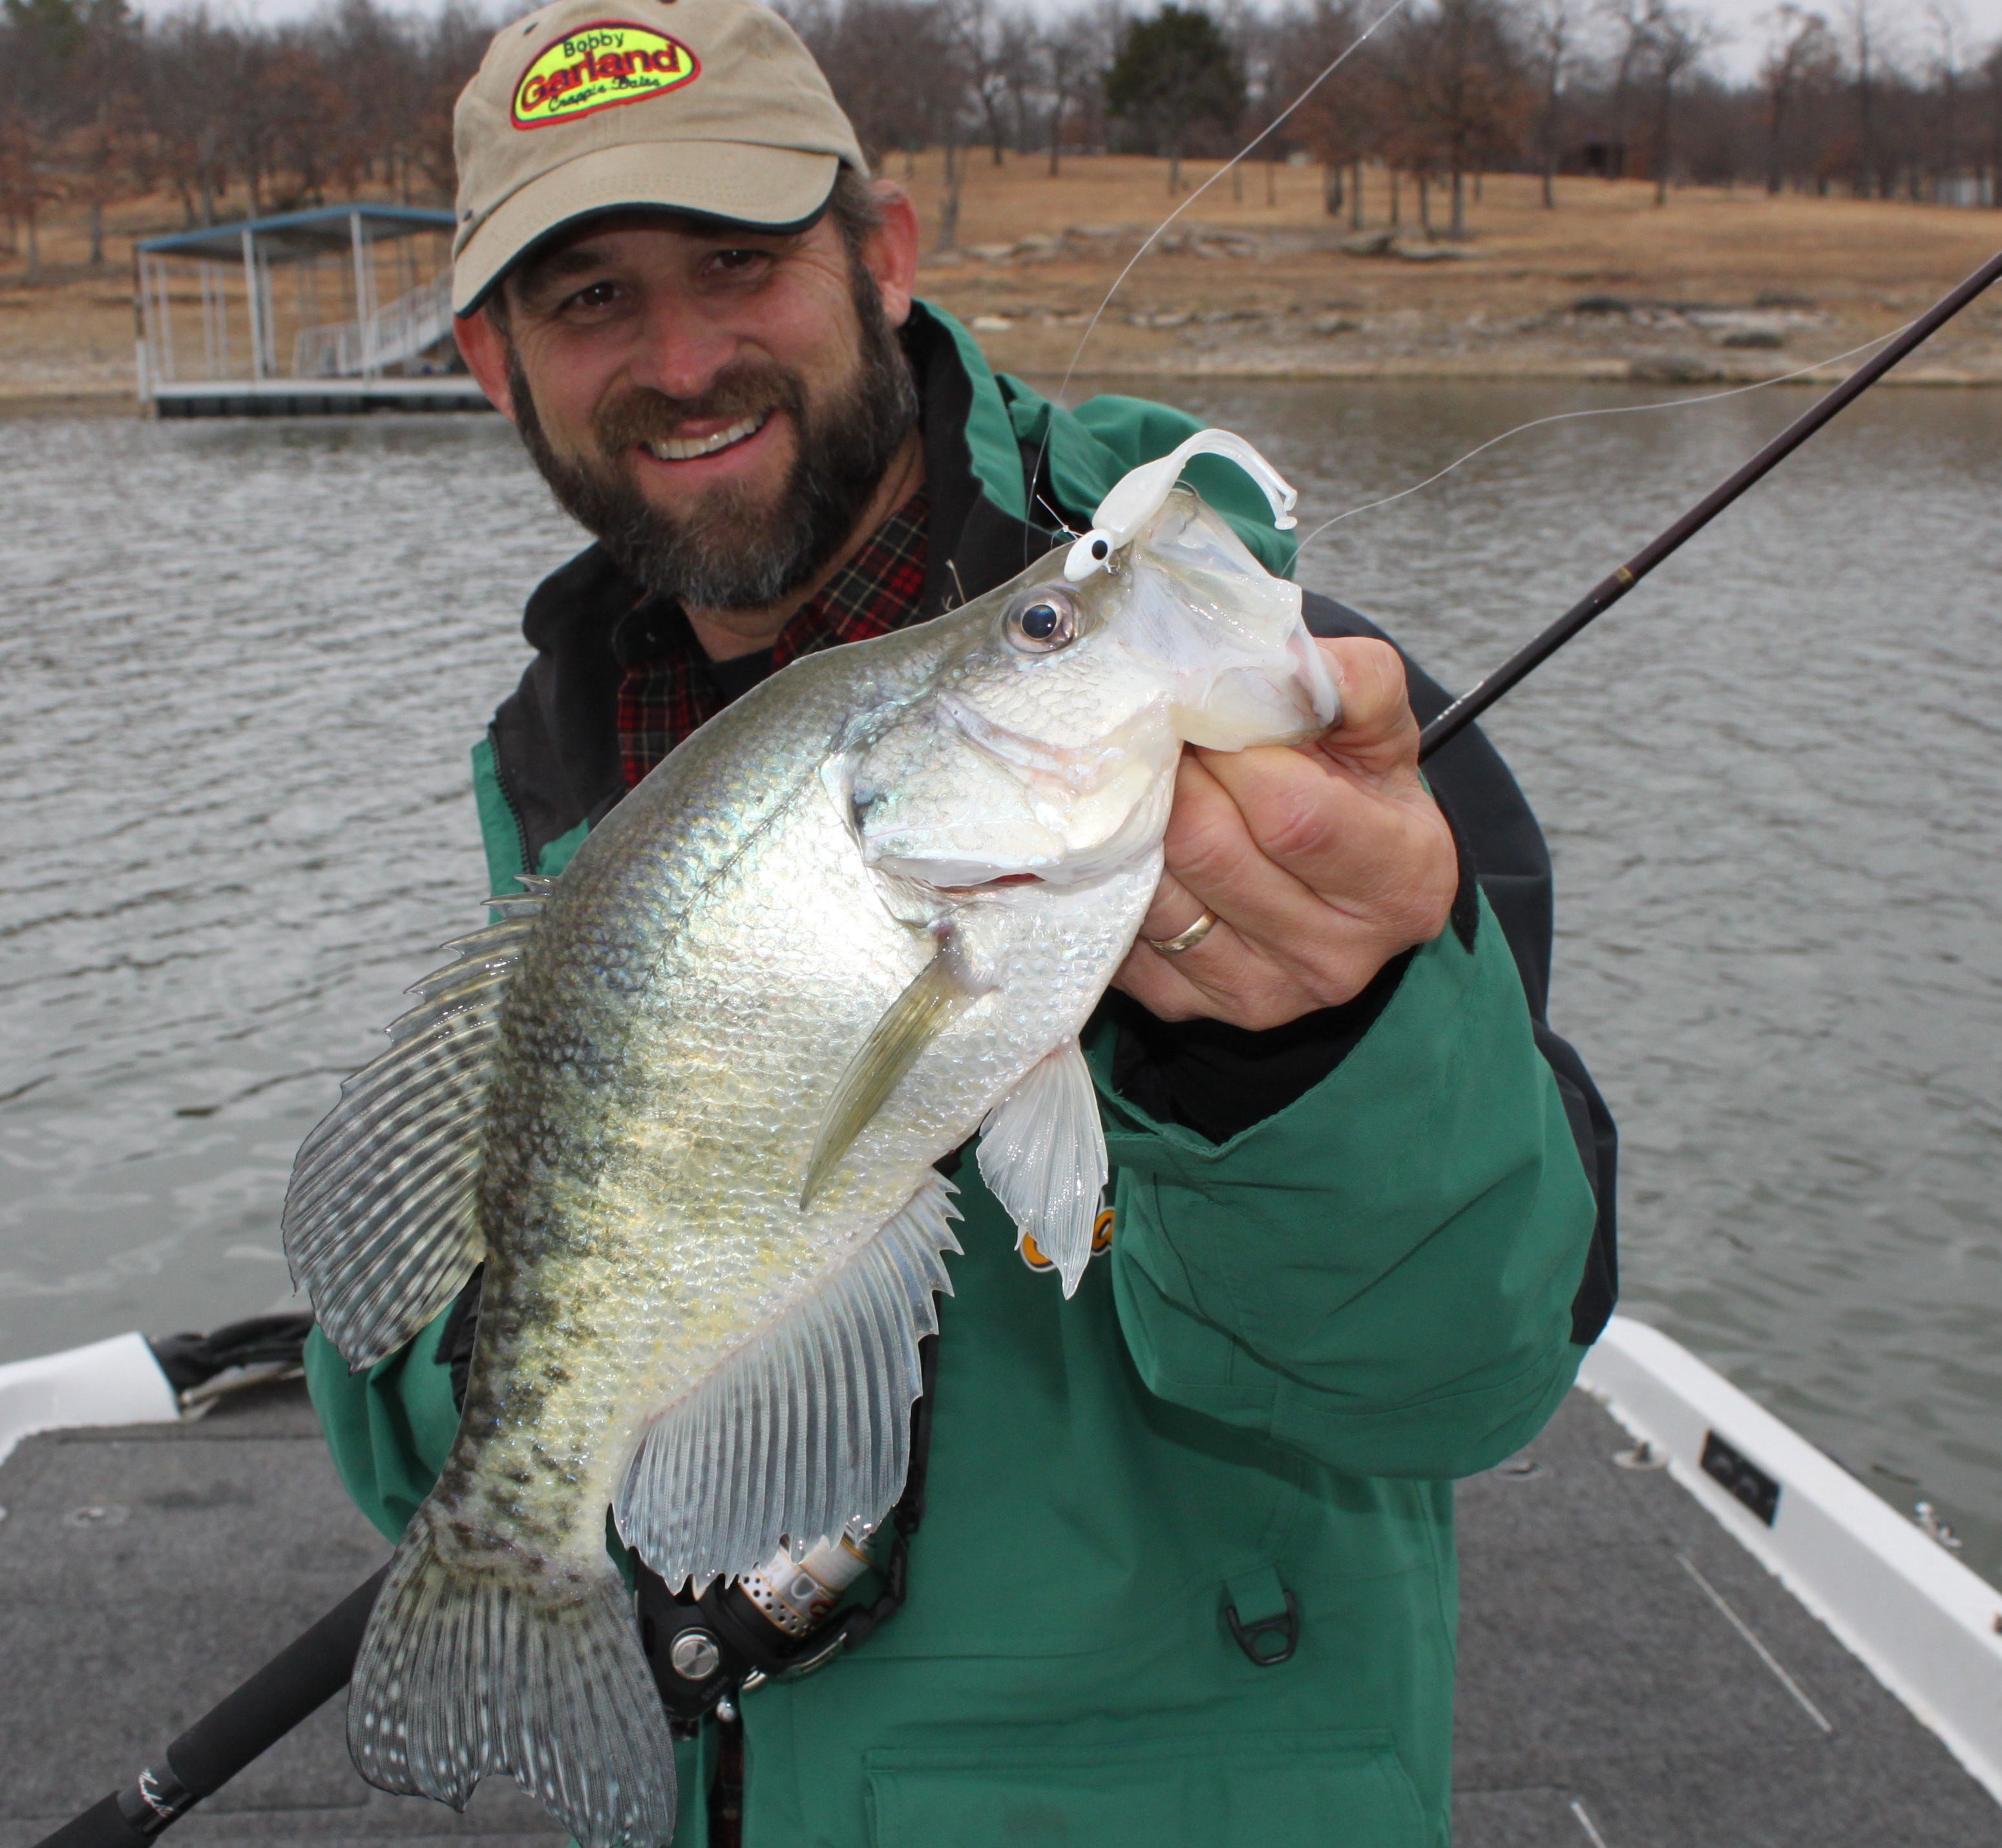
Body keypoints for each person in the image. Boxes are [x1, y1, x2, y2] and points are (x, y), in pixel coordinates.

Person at [303, 2, 1617, 1843]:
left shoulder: (1263, 692)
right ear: (490, 362)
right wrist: (528, 1390)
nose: (682, 358)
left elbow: (1474, 1361)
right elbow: (412, 1358)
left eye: (739, 264)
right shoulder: (565, 740)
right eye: (590, 298)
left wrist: (1294, 1049)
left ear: (887, 257)